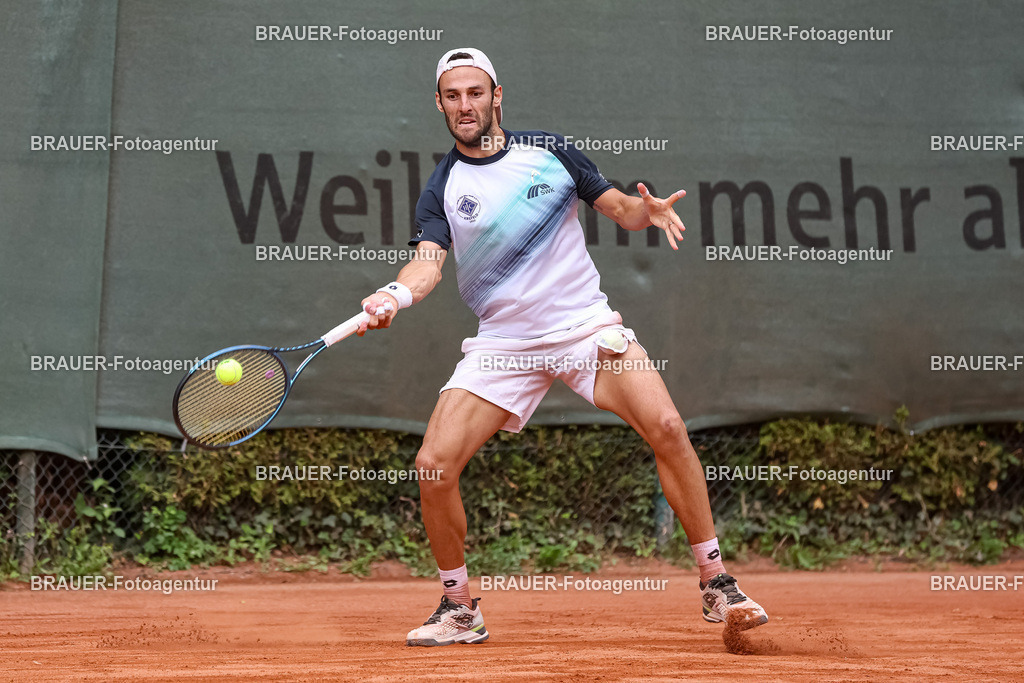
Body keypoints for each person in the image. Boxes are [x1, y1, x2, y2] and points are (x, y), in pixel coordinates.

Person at [358, 48, 768, 647]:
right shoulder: (443, 186)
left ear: (497, 96)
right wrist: (395, 293)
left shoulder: (551, 151)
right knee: (433, 466)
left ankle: (716, 582)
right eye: (453, 96)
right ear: (440, 104)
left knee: (669, 426)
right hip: (506, 342)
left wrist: (644, 210)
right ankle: (458, 608)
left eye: (476, 93)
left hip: (583, 326)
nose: (465, 105)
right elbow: (427, 263)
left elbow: (619, 207)